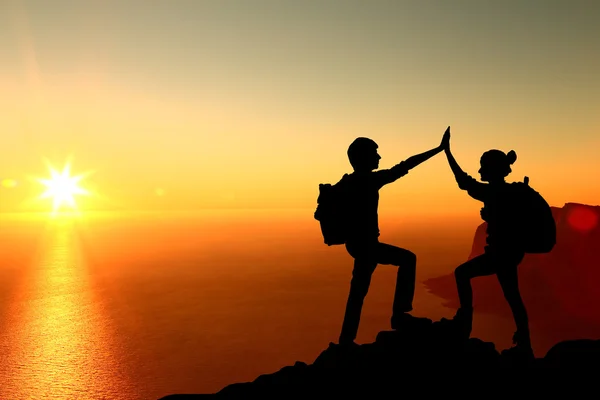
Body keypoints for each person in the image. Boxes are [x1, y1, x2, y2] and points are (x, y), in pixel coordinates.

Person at [338, 127, 449, 346]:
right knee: (407, 259)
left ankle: (346, 340)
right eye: (375, 153)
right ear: (364, 157)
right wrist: (438, 150)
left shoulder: (347, 182)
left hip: (357, 244)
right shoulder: (368, 181)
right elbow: (405, 166)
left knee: (358, 291)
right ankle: (399, 316)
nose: (379, 157)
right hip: (366, 245)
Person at [439, 127, 533, 358]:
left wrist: (447, 152)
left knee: (462, 274)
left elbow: (464, 181)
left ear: (491, 169)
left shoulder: (493, 192)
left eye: (483, 166)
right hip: (511, 253)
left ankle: (464, 323)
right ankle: (525, 341)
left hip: (501, 254)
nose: (479, 170)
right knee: (513, 295)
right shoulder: (511, 191)